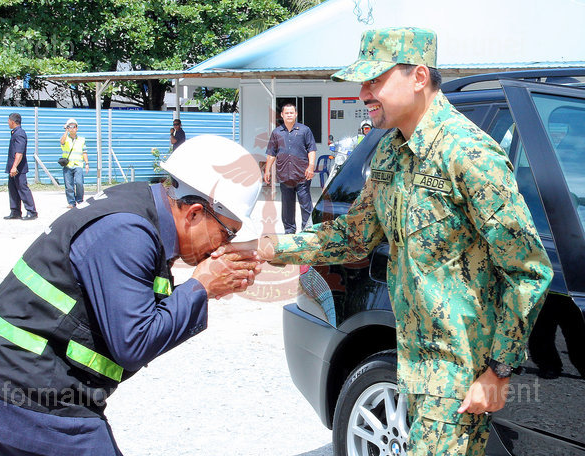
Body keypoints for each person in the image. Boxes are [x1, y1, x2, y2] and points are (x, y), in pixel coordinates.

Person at [221, 27, 554, 455]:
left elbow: (528, 270)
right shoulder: (389, 153)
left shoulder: (469, 154)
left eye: (375, 80)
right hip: (410, 366)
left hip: (456, 375)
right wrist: (265, 247)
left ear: (419, 77)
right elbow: (354, 235)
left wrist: (499, 370)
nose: (364, 93)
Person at [0, 135, 263, 456]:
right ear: (194, 213)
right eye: (227, 233)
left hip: (20, 379)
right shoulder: (127, 233)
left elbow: (137, 314)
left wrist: (204, 289)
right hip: (23, 388)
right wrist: (200, 287)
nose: (224, 245)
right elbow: (134, 343)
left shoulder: (141, 207)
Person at [264, 103, 317, 234]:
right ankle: (289, 231)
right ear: (282, 115)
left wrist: (311, 167)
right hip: (285, 175)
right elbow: (271, 153)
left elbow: (311, 149)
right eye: (286, 113)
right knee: (287, 206)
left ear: (296, 114)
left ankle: (308, 230)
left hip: (302, 174)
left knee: (306, 205)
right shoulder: (276, 133)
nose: (289, 115)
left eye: (291, 113)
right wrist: (267, 170)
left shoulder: (305, 130)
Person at [4, 113, 37, 221]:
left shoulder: (19, 134)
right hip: (13, 167)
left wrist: (14, 167)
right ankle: (15, 212)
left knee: (23, 189)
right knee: (13, 189)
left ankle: (32, 212)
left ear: (13, 121)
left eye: (8, 121)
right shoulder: (15, 133)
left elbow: (19, 152)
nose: (8, 122)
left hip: (18, 168)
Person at [60, 118, 89, 208]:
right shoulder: (65, 138)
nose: (72, 129)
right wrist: (66, 131)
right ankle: (71, 202)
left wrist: (87, 163)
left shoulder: (81, 139)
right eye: (70, 127)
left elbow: (84, 152)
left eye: (74, 126)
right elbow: (62, 142)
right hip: (68, 165)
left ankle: (80, 200)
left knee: (79, 183)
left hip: (78, 165)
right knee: (69, 185)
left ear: (77, 128)